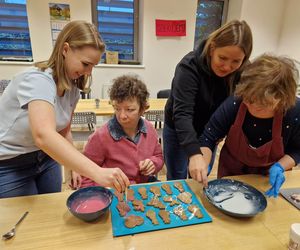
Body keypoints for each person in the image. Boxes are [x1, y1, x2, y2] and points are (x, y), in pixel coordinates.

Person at [0, 20, 130, 198]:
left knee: (49, 213)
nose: (89, 72)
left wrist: (74, 167)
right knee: (26, 221)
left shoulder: (72, 89)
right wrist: (96, 172)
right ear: (65, 49)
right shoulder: (37, 80)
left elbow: (64, 131)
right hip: (10, 163)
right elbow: (43, 135)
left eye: (93, 66)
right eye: (85, 64)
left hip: (46, 158)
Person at [194, 54, 300, 198]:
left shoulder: (294, 111)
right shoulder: (235, 103)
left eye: (261, 106)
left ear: (281, 100)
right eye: (248, 100)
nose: (251, 107)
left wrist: (280, 166)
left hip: (266, 178)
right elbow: (208, 137)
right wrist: (202, 163)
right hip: (232, 170)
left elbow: (297, 149)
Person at [163, 20, 253, 182]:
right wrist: (194, 153)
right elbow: (182, 114)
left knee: (199, 176)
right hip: (179, 129)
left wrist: (213, 137)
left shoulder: (244, 72)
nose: (227, 67)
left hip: (209, 133)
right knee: (176, 176)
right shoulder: (189, 67)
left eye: (236, 61)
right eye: (223, 58)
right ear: (212, 49)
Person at [71, 75, 164, 188]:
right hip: (114, 193)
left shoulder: (149, 129)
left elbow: (158, 156)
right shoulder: (101, 136)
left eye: (129, 110)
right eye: (117, 108)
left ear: (143, 109)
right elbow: (86, 174)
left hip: (141, 190)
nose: (122, 116)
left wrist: (153, 163)